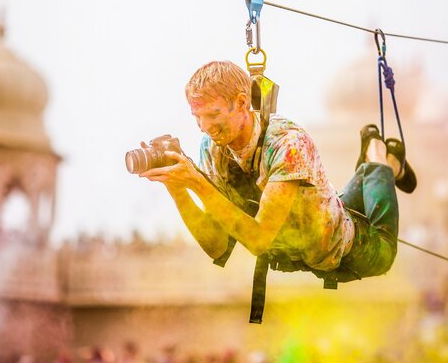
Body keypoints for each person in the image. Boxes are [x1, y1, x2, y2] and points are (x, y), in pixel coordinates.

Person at [139, 61, 416, 322]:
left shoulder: (288, 144)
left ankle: (379, 154)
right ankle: (381, 164)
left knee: (385, 253)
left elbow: (258, 239)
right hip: (321, 224)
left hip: (345, 244)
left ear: (241, 103)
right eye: (197, 117)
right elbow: (217, 246)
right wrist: (178, 188)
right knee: (337, 204)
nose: (205, 127)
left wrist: (197, 182)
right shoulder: (212, 148)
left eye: (213, 115)